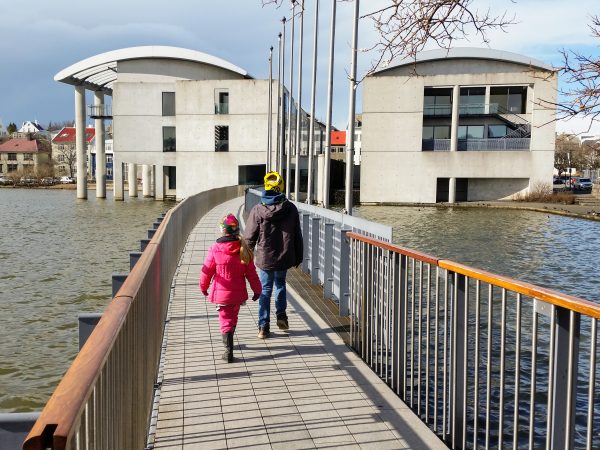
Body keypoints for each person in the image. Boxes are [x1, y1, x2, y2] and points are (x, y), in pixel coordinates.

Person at [243, 171, 303, 339]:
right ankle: (282, 316)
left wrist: (245, 256)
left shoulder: (258, 209)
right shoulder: (290, 208)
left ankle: (263, 327)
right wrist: (298, 256)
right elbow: (297, 235)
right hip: (284, 255)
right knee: (280, 284)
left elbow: (249, 237)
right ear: (281, 186)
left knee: (265, 289)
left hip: (265, 257)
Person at [200, 214, 261, 362]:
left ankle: (228, 352)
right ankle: (230, 340)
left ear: (223, 231)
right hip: (238, 294)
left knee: (225, 320)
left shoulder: (215, 249)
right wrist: (257, 290)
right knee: (232, 317)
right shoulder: (243, 248)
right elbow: (251, 274)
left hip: (222, 293)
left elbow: (207, 270)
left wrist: (203, 286)